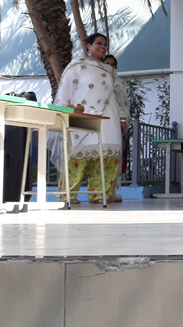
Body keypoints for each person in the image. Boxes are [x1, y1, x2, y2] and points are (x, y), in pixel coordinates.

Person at [54, 33, 130, 204]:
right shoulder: (77, 65)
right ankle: (68, 194)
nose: (103, 47)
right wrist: (64, 112)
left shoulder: (110, 70)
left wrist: (122, 118)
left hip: (109, 117)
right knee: (77, 155)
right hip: (83, 115)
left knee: (108, 156)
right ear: (88, 46)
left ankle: (100, 194)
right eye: (98, 43)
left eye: (105, 44)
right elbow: (65, 90)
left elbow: (119, 96)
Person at [102, 54, 124, 202]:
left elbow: (122, 104)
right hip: (100, 122)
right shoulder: (96, 79)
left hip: (115, 123)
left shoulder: (118, 83)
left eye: (112, 64)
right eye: (107, 63)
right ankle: (98, 192)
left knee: (113, 157)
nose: (110, 66)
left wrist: (123, 119)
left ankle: (111, 192)